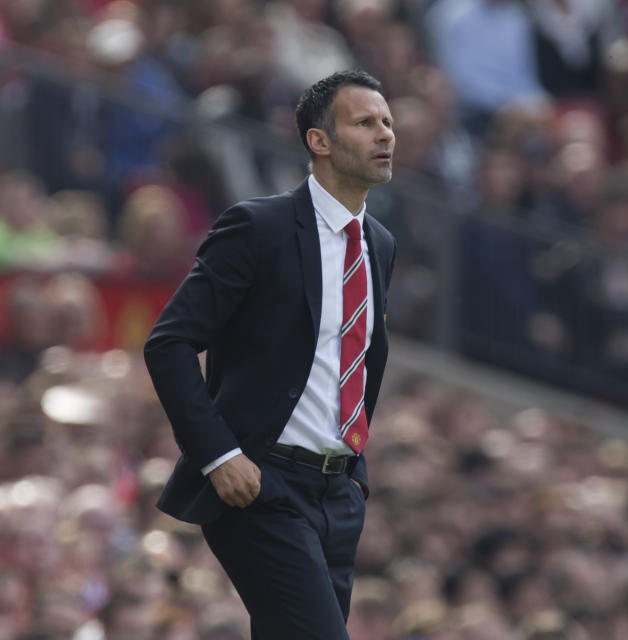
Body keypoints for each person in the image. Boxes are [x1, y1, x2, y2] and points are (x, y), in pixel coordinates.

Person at [143, 70, 397, 639]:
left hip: (338, 494)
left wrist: (355, 475)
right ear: (319, 141)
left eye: (387, 122)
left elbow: (356, 363)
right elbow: (169, 343)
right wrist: (218, 455)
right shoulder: (259, 226)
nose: (385, 135)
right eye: (365, 123)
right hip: (262, 484)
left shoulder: (379, 243)